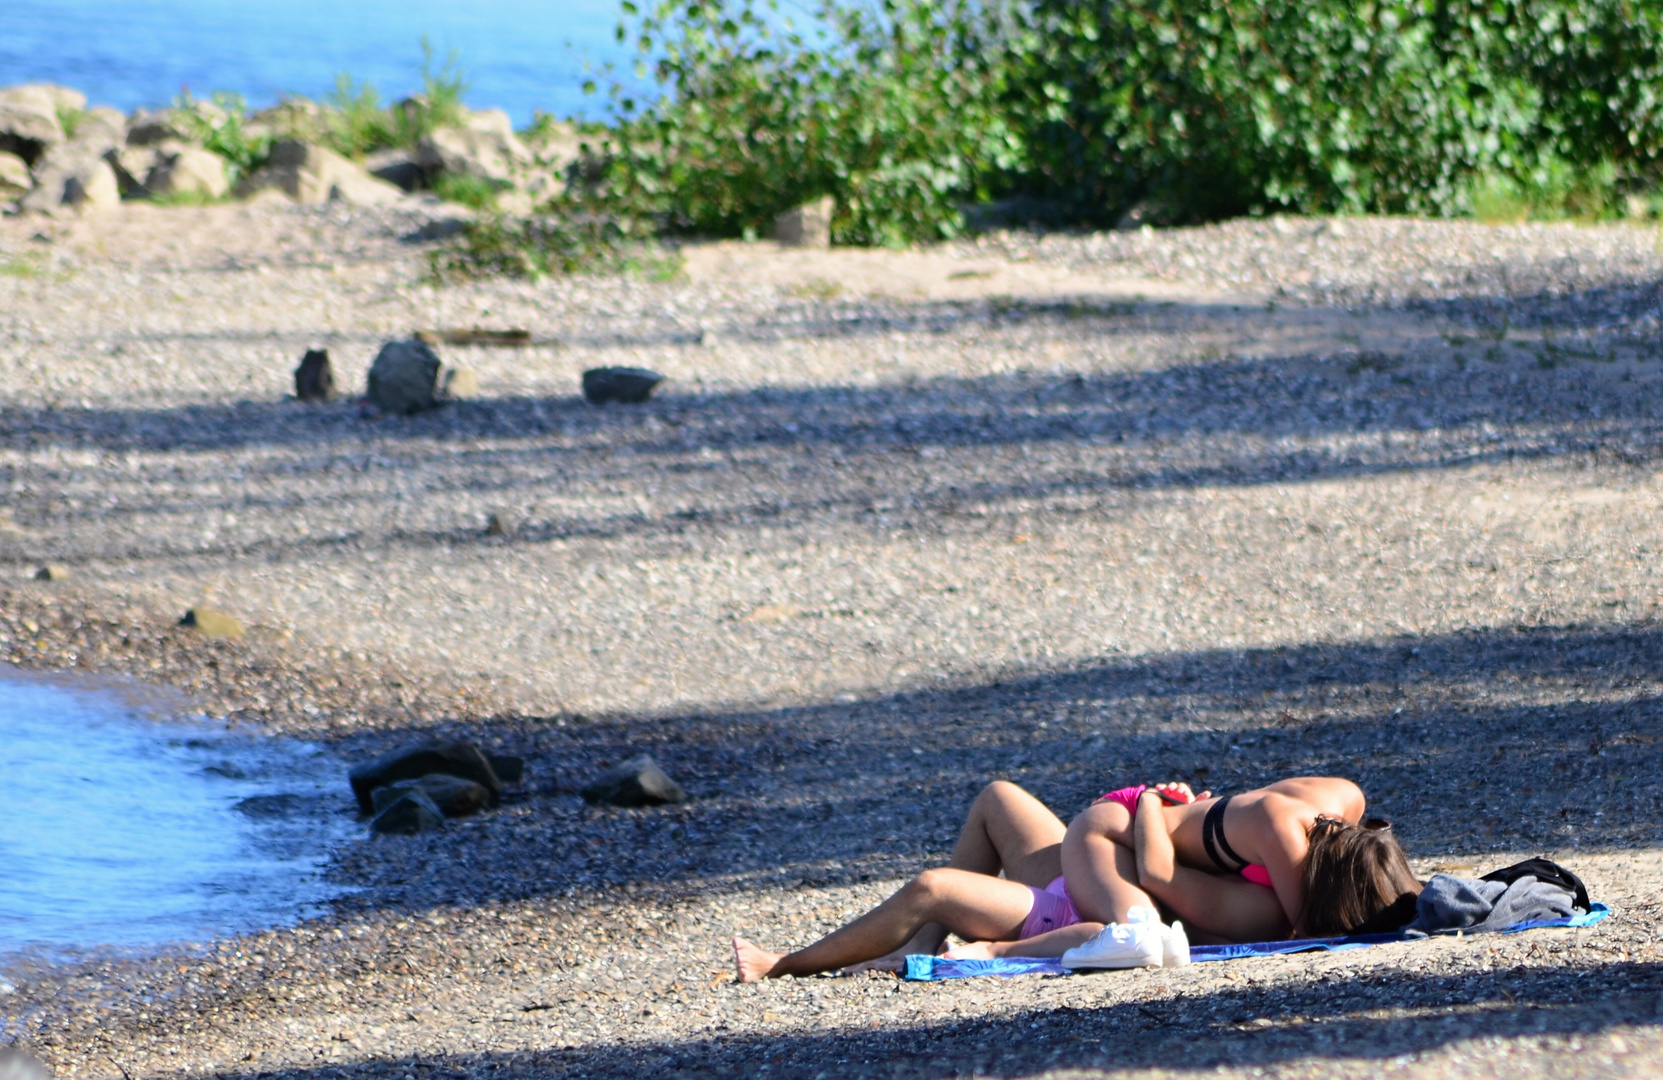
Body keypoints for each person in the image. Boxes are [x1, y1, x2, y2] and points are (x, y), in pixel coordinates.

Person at [732, 776, 1420, 981]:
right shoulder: (1299, 843)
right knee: (997, 797)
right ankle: (921, 944)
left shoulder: (1272, 897)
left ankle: (785, 965)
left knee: (931, 886)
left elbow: (1155, 886)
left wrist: (1153, 802)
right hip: (1093, 867)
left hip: (1074, 903)